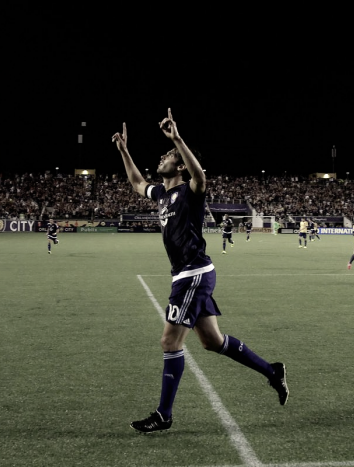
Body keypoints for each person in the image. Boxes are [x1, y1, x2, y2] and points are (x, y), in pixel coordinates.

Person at [112, 108, 288, 434]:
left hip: (192, 274)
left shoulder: (189, 191)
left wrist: (177, 139)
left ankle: (164, 414)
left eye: (167, 156)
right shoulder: (163, 193)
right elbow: (137, 183)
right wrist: (124, 151)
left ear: (178, 165)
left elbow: (201, 178)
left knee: (169, 341)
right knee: (212, 341)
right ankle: (272, 371)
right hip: (190, 274)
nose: (161, 159)